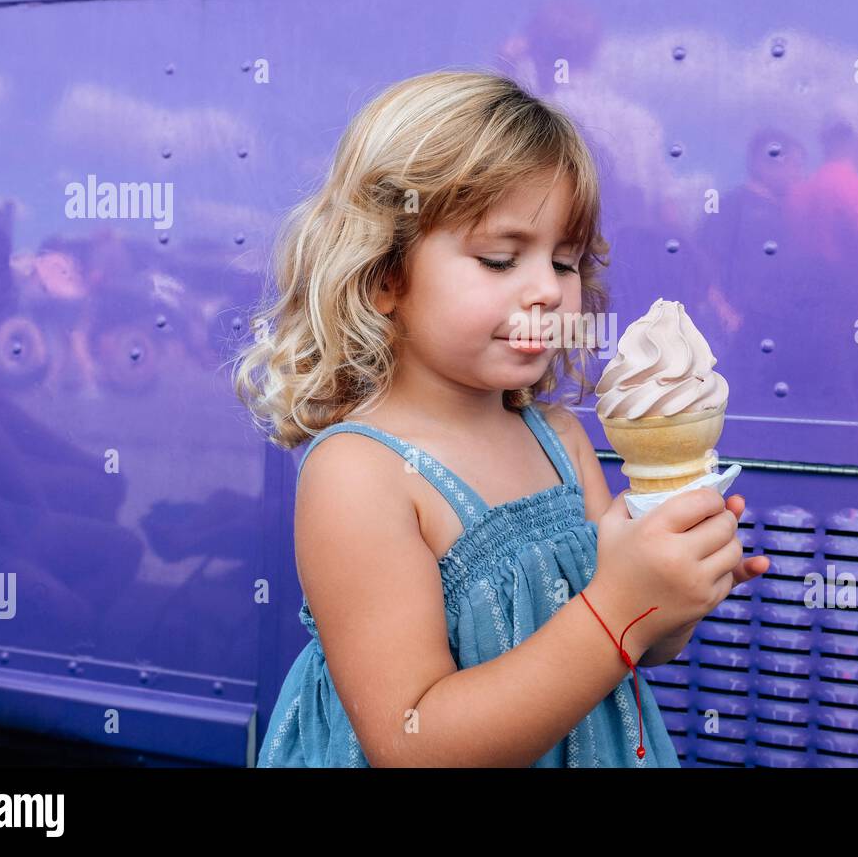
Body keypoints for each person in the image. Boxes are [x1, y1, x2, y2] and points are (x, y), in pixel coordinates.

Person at [231, 70, 769, 767]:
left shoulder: (560, 438)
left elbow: (646, 641)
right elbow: (410, 742)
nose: (547, 289)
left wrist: (678, 586)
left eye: (567, 262)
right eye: (499, 258)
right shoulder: (359, 474)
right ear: (384, 274)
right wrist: (619, 604)